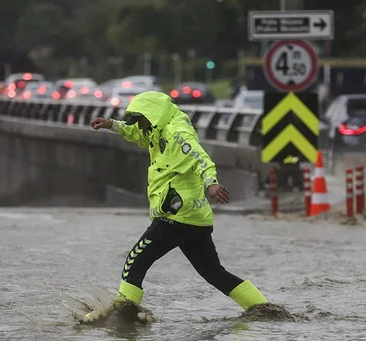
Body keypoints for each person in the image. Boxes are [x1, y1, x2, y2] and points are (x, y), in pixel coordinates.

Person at [89, 91, 269, 317]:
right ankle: (264, 309)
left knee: (135, 262)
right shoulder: (157, 129)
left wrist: (211, 183)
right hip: (194, 218)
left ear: (152, 115)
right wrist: (111, 124)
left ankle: (123, 317)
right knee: (213, 272)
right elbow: (138, 133)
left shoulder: (177, 132)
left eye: (141, 120)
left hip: (176, 215)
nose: (140, 126)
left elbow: (200, 157)